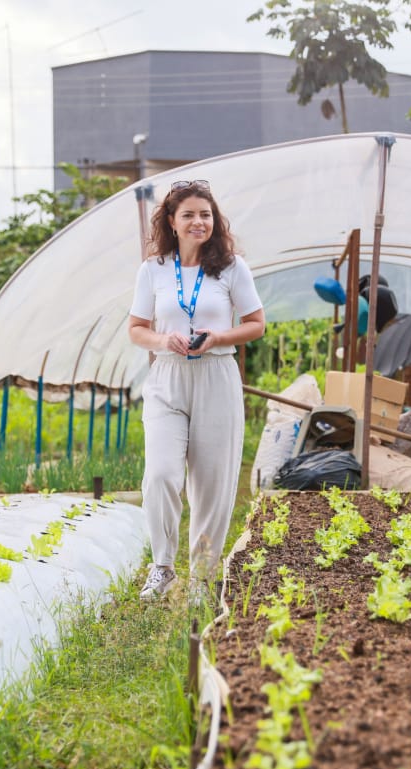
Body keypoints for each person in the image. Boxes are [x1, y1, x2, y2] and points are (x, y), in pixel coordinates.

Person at [128, 179, 266, 604]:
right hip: (167, 378)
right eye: (188, 214)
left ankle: (203, 579)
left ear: (214, 220)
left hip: (216, 376)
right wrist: (161, 340)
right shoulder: (152, 271)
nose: (198, 222)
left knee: (212, 483)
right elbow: (136, 329)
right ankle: (163, 567)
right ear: (171, 221)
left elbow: (256, 324)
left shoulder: (231, 268)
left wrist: (218, 336)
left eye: (205, 214)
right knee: (162, 475)